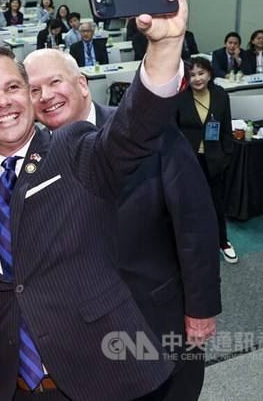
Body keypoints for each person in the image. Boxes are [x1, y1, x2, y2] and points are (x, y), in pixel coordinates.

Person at [0, 0, 201, 401]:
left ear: (28, 94)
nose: (3, 103)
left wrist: (164, 46)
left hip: (109, 380)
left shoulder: (74, 148)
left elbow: (135, 128)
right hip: (19, 388)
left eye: (12, 88)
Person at [24, 49, 221, 400]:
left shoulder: (150, 133)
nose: (46, 96)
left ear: (82, 84)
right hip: (84, 338)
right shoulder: (32, 163)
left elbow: (195, 225)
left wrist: (201, 308)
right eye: (33, 90)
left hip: (154, 318)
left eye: (55, 82)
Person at [176, 57, 237, 264]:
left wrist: (226, 155)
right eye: (192, 75)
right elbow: (172, 132)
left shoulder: (221, 96)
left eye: (201, 73)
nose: (197, 78)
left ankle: (223, 241)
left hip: (214, 159)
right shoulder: (180, 97)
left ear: (210, 74)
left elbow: (227, 129)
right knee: (187, 205)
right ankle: (189, 245)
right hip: (187, 160)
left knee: (215, 203)